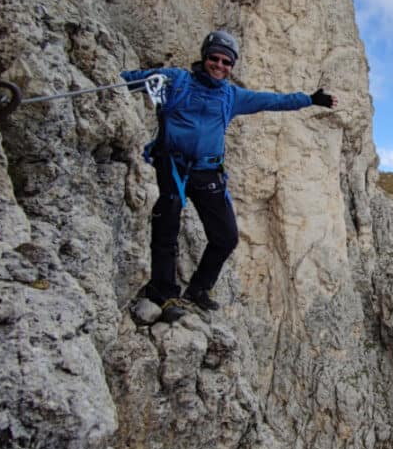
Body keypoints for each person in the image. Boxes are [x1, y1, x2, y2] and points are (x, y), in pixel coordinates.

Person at [122, 30, 337, 321]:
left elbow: (271, 101)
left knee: (226, 236)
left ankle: (198, 288)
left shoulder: (231, 96)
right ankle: (163, 294)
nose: (220, 66)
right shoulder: (176, 80)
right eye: (215, 58)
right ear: (204, 57)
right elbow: (132, 79)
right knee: (167, 226)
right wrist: (119, 78)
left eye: (226, 62)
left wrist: (309, 99)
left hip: (207, 170)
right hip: (170, 163)